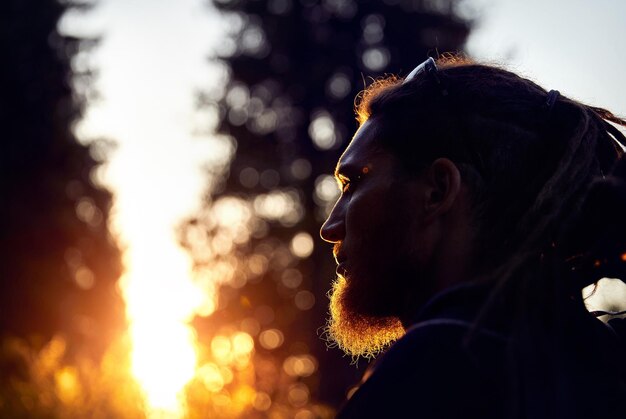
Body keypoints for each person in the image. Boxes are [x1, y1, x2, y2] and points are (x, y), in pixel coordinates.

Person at [319, 56, 626, 418]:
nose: (330, 227)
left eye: (353, 183)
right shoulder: (601, 360)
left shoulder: (433, 371)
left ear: (437, 189)